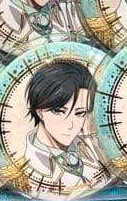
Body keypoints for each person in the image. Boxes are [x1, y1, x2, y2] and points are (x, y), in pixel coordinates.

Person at [22, 60, 105, 191]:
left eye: (80, 113)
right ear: (39, 112)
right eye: (58, 111)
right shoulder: (25, 169)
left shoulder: (98, 148)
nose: (70, 125)